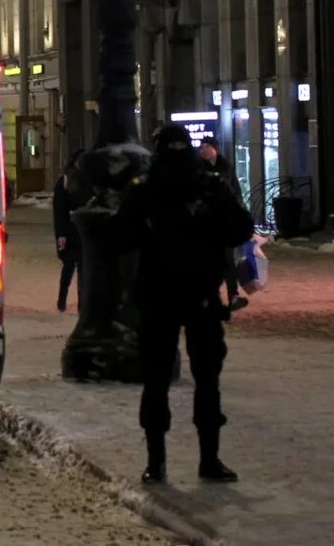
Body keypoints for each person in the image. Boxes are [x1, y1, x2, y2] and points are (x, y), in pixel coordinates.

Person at [114, 123, 255, 485]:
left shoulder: (145, 188)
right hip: (201, 294)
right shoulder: (209, 184)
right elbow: (240, 228)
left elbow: (119, 237)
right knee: (207, 379)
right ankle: (209, 460)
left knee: (157, 378)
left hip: (158, 295)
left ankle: (156, 463)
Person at [197, 139, 248, 311]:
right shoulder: (198, 168)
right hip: (205, 223)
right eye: (201, 147)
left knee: (227, 261)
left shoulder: (225, 166)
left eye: (206, 147)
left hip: (222, 222)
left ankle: (232, 296)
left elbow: (235, 191)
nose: (203, 150)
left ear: (215, 149)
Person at [51, 149, 87, 313]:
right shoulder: (65, 182)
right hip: (70, 231)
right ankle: (62, 298)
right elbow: (59, 211)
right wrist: (61, 235)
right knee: (69, 267)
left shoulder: (88, 180)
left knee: (83, 269)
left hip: (83, 231)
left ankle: (82, 302)